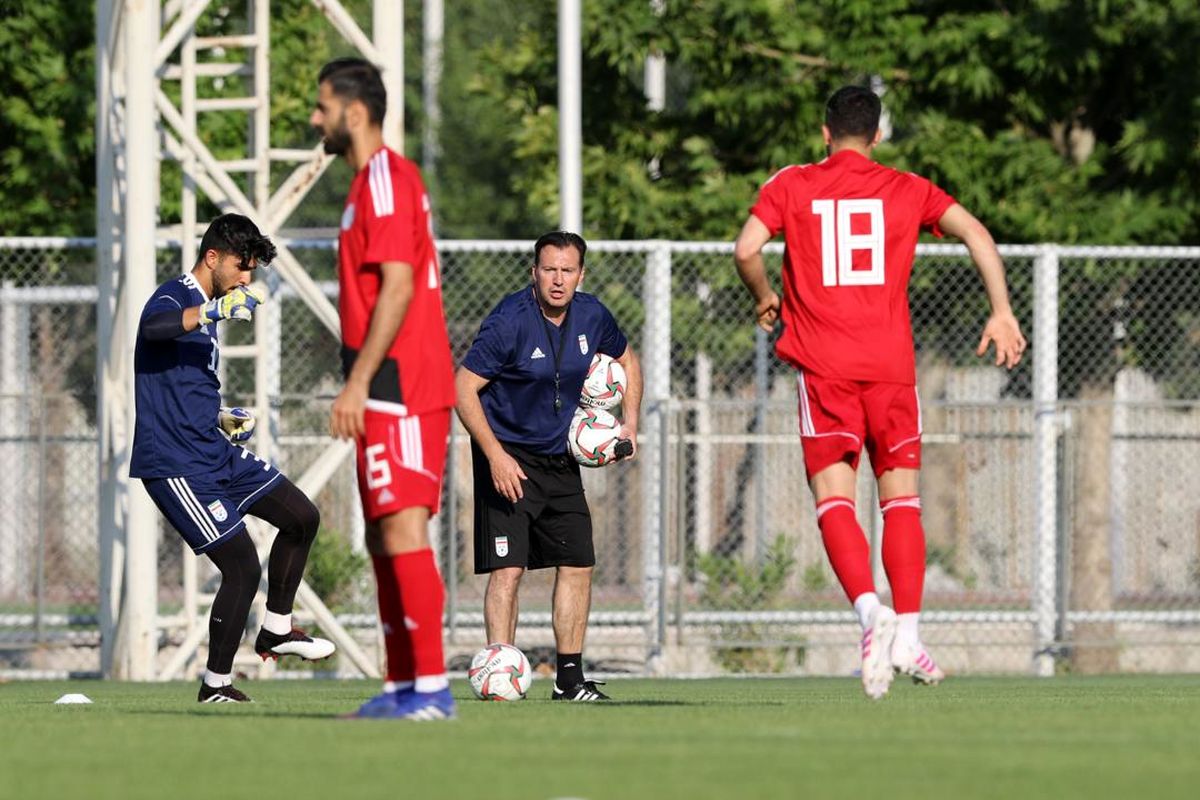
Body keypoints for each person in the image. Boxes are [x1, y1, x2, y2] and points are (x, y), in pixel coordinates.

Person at [733, 86, 1026, 700]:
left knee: (834, 499)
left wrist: (765, 297)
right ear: (878, 136)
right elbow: (975, 232)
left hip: (825, 370)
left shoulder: (792, 184)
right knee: (903, 503)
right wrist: (1001, 311)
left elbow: (746, 248)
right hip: (891, 369)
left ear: (824, 133)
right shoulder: (908, 187)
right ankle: (910, 635)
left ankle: (872, 617)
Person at [131, 213, 334, 703]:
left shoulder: (210, 306)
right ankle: (216, 685)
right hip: (178, 465)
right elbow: (152, 328)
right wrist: (209, 314)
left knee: (302, 517)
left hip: (214, 449)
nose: (247, 279)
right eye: (241, 268)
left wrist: (219, 416)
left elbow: (175, 381)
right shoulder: (176, 297)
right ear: (213, 258)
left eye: (252, 271)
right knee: (242, 565)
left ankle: (278, 629)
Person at [312, 58, 457, 720]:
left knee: (403, 526)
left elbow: (397, 285)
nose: (316, 119)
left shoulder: (388, 180)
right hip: (382, 385)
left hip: (403, 381)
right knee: (379, 533)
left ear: (355, 111)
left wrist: (360, 381)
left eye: (323, 107)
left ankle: (431, 689)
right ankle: (404, 686)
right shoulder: (364, 185)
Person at [455, 231, 643, 701]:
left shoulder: (592, 314)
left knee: (578, 564)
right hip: (508, 459)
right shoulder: (509, 321)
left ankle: (569, 679)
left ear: (581, 275)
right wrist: (494, 456)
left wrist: (629, 426)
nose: (558, 280)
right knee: (509, 570)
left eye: (567, 270)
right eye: (549, 269)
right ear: (533, 272)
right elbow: (462, 389)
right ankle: (500, 672)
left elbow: (628, 361)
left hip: (560, 458)